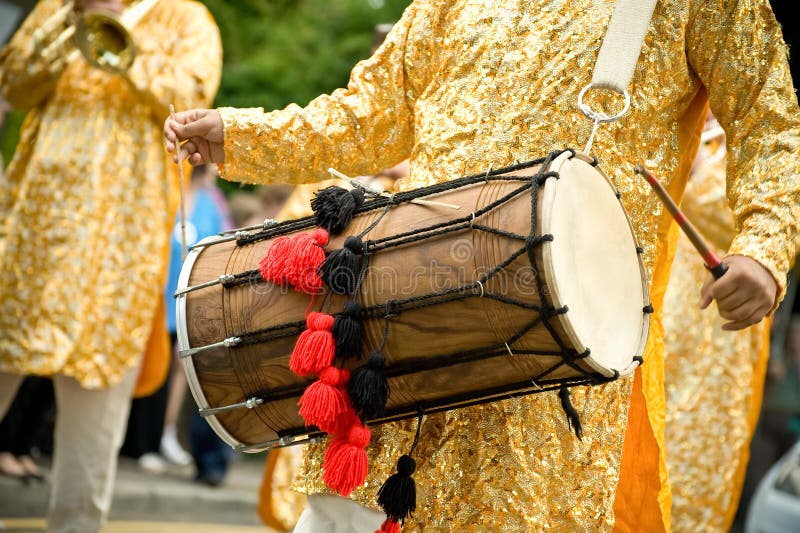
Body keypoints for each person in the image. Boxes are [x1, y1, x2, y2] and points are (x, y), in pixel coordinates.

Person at [165, 1, 799, 530]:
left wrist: (765, 249)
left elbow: (771, 121)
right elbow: (369, 114)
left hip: (560, 368)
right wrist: (241, 134)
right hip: (404, 328)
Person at [0, 1, 221, 531]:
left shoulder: (188, 19)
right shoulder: (58, 6)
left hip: (117, 248)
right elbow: (16, 81)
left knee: (93, 423)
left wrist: (113, 26)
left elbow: (190, 103)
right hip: (32, 233)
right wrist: (70, 22)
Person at [662, 114, 773, 532]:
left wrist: (689, 168)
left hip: (714, 336)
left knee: (690, 459)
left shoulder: (755, 134)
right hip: (650, 311)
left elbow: (755, 224)